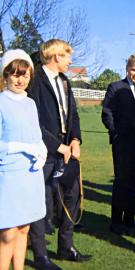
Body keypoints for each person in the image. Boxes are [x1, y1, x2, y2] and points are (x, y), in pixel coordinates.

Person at [28, 39, 90, 270]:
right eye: (67, 56)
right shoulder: (35, 81)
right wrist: (57, 146)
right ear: (55, 57)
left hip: (67, 152)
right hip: (45, 153)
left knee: (72, 197)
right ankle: (40, 255)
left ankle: (66, 247)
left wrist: (75, 140)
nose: (70, 60)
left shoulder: (65, 81)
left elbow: (73, 115)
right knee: (41, 204)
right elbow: (34, 122)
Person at [0, 49, 46, 270]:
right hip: (9, 175)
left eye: (25, 75)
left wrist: (41, 150)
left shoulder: (30, 104)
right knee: (8, 233)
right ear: (6, 75)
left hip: (31, 174)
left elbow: (36, 135)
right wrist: (20, 147)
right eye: (15, 74)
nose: (20, 80)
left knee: (24, 229)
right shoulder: (1, 103)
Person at [102, 54, 135, 235]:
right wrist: (115, 133)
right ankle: (116, 221)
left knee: (133, 183)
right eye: (133, 70)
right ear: (127, 69)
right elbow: (107, 113)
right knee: (121, 182)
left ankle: (129, 219)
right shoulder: (115, 87)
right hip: (122, 143)